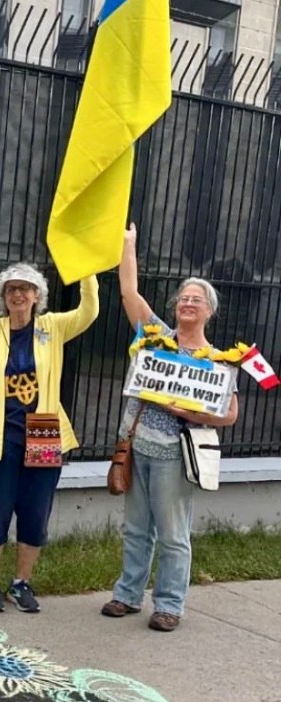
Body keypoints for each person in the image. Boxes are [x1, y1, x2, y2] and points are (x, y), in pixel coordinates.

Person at [102, 224, 239, 632]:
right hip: (138, 444)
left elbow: (229, 413)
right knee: (136, 529)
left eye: (197, 300)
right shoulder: (156, 336)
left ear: (209, 311)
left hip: (174, 455)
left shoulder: (217, 359)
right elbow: (129, 293)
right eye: (184, 298)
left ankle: (169, 605)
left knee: (173, 535)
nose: (188, 303)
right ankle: (127, 594)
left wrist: (197, 415)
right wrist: (128, 247)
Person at [0, 262, 98, 614]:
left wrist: (87, 267)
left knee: (35, 512)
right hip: (0, 432)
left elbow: (90, 311)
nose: (18, 294)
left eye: (25, 288)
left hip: (43, 432)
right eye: (11, 289)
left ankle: (21, 583)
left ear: (38, 295)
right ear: (3, 298)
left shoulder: (51, 327)